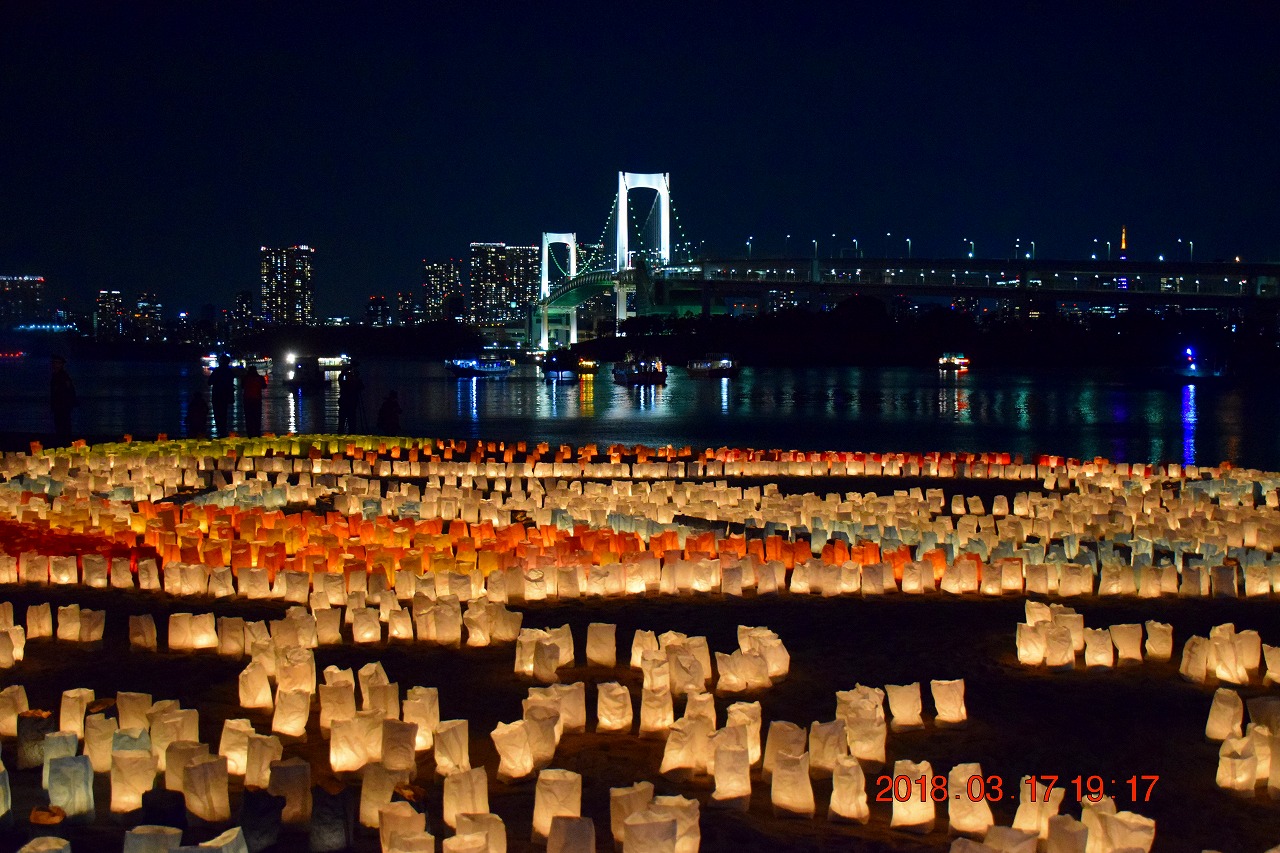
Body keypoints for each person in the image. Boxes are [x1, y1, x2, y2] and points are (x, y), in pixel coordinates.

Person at [50, 355, 77, 443]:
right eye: (54, 363)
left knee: (63, 424)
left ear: (61, 365)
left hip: (63, 404)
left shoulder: (62, 376)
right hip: (60, 404)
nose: (55, 365)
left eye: (58, 363)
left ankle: (64, 441)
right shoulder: (57, 375)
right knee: (61, 424)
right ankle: (63, 440)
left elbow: (68, 390)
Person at [209, 354, 236, 438]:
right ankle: (223, 433)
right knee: (224, 415)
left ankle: (220, 433)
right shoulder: (229, 372)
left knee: (218, 415)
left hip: (217, 396)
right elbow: (230, 385)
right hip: (225, 397)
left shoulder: (217, 371)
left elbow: (209, 382)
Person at [240, 364, 267, 438]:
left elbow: (242, 386)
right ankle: (257, 434)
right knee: (257, 418)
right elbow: (264, 386)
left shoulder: (245, 378)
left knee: (249, 419)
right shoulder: (259, 378)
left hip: (247, 401)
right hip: (257, 400)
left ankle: (250, 435)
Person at [337, 362, 364, 433]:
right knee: (343, 425)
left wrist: (346, 371)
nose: (349, 377)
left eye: (350, 376)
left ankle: (349, 437)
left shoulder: (352, 384)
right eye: (349, 376)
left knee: (350, 425)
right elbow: (340, 378)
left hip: (350, 407)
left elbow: (361, 387)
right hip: (346, 407)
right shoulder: (346, 384)